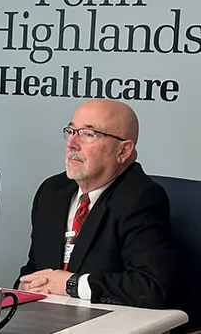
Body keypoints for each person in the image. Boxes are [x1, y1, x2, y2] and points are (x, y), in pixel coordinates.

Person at [17, 99, 177, 309]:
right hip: (44, 318)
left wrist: (71, 284)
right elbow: (35, 268)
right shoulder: (52, 191)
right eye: (71, 131)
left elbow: (150, 287)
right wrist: (25, 287)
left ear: (123, 151)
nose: (72, 144)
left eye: (88, 134)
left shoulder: (141, 197)